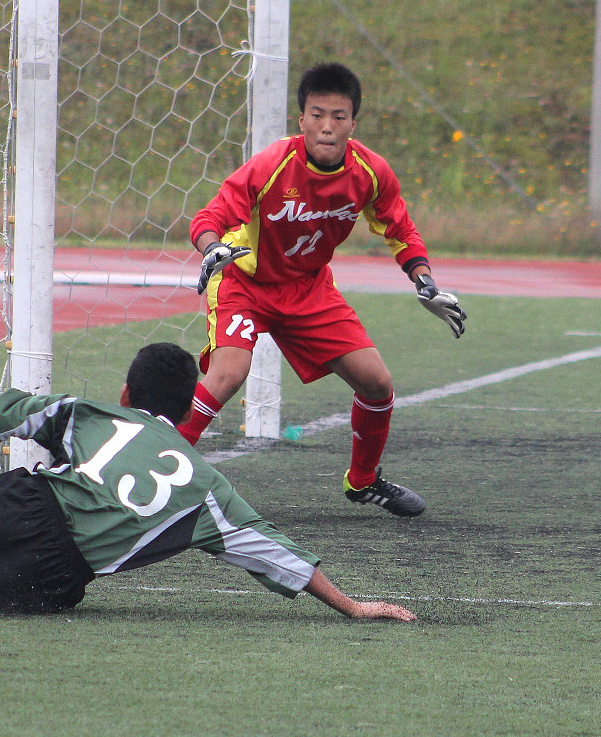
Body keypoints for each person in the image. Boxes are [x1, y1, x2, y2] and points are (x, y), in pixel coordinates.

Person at [0, 343, 415, 622]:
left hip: (11, 499)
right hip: (55, 562)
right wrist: (351, 605)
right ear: (187, 416)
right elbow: (272, 553)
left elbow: (16, 407)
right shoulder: (206, 487)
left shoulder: (94, 413)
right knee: (44, 598)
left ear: (128, 396)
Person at [177, 62, 466, 518]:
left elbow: (401, 229)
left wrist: (424, 280)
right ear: (301, 119)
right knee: (230, 373)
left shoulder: (371, 172)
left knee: (377, 384)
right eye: (317, 115)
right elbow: (210, 216)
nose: (327, 127)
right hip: (244, 283)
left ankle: (363, 482)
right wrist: (212, 249)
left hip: (309, 290)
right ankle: (158, 471)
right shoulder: (272, 164)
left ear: (353, 122)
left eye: (337, 116)